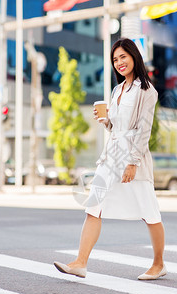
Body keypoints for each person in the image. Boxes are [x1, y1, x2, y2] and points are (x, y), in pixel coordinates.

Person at [53, 38, 166, 280]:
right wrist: (106, 121)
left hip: (133, 156)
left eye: (123, 56)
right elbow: (117, 127)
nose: (119, 63)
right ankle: (80, 262)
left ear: (134, 56)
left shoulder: (147, 90)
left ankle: (159, 264)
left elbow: (143, 129)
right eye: (115, 60)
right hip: (111, 155)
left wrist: (133, 162)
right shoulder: (117, 90)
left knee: (149, 212)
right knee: (93, 206)